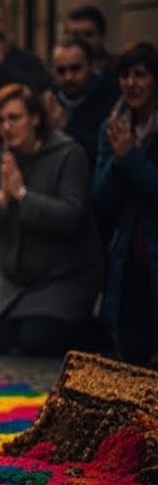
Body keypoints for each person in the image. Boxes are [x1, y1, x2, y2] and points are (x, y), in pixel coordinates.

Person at [0, 84, 100, 357]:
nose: (7, 127)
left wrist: (23, 195)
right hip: (13, 281)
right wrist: (3, 197)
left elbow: (72, 216)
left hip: (61, 278)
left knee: (37, 340)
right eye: (1, 120)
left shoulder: (68, 153)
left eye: (14, 118)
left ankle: (86, 328)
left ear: (35, 118)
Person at [93, 42, 158, 368]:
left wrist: (131, 157)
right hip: (128, 254)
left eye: (140, 75)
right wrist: (119, 160)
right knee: (133, 355)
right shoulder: (112, 127)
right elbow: (101, 199)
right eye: (124, 75)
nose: (131, 84)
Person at [43, 37, 117, 173]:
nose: (68, 77)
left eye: (75, 68)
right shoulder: (47, 99)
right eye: (61, 70)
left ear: (91, 66)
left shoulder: (109, 99)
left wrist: (66, 127)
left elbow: (103, 152)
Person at [65, 4, 114, 79]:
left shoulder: (117, 70)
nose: (81, 40)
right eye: (75, 35)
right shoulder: (58, 74)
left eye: (88, 34)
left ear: (102, 36)